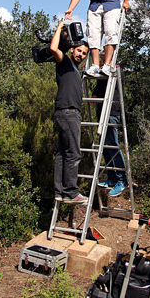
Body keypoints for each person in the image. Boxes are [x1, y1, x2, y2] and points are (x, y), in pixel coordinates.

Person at [50, 20, 90, 204]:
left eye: (84, 53)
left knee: (62, 154)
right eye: (79, 51)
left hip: (65, 113)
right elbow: (53, 48)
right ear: (72, 49)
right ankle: (71, 192)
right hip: (68, 113)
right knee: (74, 153)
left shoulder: (75, 69)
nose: (81, 55)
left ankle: (60, 192)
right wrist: (59, 27)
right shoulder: (64, 61)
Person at [91, 63, 128, 197]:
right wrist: (94, 95)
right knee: (105, 147)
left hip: (111, 112)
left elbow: (111, 88)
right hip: (101, 113)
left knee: (112, 146)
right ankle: (112, 178)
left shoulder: (116, 71)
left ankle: (122, 180)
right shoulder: (103, 72)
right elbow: (99, 88)